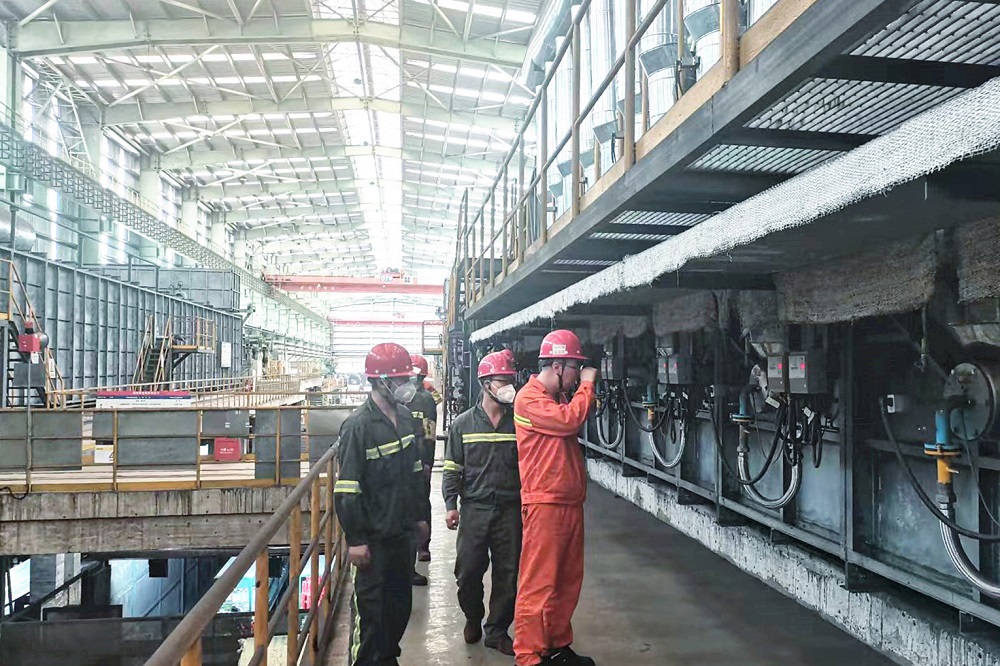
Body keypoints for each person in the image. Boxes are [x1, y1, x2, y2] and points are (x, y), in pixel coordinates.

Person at [335, 343, 431, 666]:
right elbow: (347, 489)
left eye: (408, 378)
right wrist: (356, 540)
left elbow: (415, 473)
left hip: (402, 535)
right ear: (380, 381)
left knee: (399, 608)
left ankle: (388, 659)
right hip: (373, 541)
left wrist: (420, 517)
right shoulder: (358, 427)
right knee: (372, 620)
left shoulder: (404, 417)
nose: (407, 386)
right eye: (401, 379)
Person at [512, 330, 599, 666]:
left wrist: (582, 390)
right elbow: (568, 422)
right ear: (558, 366)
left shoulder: (557, 398)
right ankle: (529, 655)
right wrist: (588, 385)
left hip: (568, 501)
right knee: (538, 583)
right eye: (576, 368)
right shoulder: (529, 399)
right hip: (545, 503)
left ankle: (556, 644)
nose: (578, 375)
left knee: (565, 581)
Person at [442, 351, 521, 657]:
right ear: (486, 384)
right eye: (503, 381)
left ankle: (497, 631)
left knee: (508, 574)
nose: (509, 387)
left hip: (510, 509)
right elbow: (452, 468)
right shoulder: (463, 424)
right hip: (475, 509)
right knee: (467, 572)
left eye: (511, 381)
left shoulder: (519, 423)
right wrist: (451, 504)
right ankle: (473, 617)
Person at [407, 353, 438, 583]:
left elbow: (430, 432)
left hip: (420, 459)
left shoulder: (426, 399)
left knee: (420, 504)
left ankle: (422, 547)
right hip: (402, 462)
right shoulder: (399, 399)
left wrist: (428, 462)